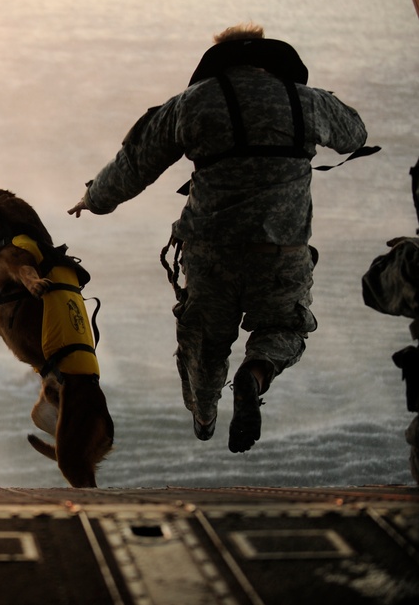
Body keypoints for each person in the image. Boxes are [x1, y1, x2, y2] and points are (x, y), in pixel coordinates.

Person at [68, 23, 369, 453]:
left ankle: (205, 416)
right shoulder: (306, 101)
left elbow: (134, 165)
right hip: (281, 251)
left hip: (210, 253)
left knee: (204, 345)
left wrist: (93, 199)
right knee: (282, 326)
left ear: (217, 59)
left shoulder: (192, 103)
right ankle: (255, 374)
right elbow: (355, 134)